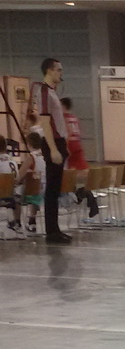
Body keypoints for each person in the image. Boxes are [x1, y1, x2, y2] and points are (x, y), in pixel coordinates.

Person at [28, 56, 70, 244]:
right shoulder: (44, 92)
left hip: (59, 142)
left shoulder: (52, 92)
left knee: (55, 188)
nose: (61, 73)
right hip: (53, 143)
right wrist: (53, 149)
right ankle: (51, 232)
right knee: (52, 189)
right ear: (49, 71)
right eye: (58, 70)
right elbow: (45, 122)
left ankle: (55, 229)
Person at [59, 97, 99, 221]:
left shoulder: (63, 119)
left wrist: (64, 148)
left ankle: (78, 195)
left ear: (63, 106)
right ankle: (83, 193)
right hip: (77, 145)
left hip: (69, 147)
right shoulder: (74, 118)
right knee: (83, 175)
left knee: (65, 177)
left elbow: (67, 133)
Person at [11, 131, 45, 236]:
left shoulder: (31, 157)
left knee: (15, 194)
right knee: (34, 190)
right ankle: (32, 220)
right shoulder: (46, 155)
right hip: (45, 188)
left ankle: (17, 222)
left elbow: (20, 175)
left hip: (33, 190)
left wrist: (15, 182)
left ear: (29, 144)